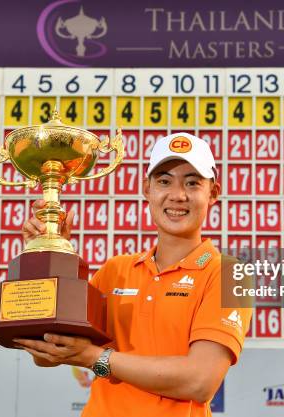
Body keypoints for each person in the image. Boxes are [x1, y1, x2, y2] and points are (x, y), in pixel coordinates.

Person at [15, 132, 252, 417]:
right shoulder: (115, 270)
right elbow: (49, 354)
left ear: (212, 194)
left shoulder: (231, 274)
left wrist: (96, 357)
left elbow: (200, 381)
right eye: (164, 181)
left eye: (192, 182)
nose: (177, 195)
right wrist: (50, 256)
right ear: (146, 189)